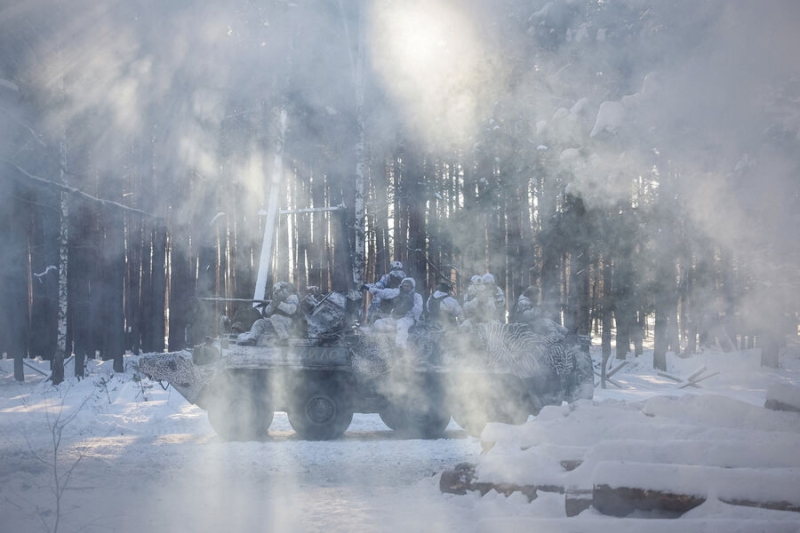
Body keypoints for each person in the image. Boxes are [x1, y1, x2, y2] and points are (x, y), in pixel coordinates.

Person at [371, 277, 422, 349]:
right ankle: (394, 330)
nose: (406, 287)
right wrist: (369, 289)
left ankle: (400, 346)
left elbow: (419, 310)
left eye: (408, 286)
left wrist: (412, 306)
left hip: (409, 318)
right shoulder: (397, 293)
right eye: (404, 285)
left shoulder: (417, 296)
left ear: (412, 287)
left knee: (402, 323)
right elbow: (384, 293)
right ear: (401, 286)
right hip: (395, 318)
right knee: (378, 323)